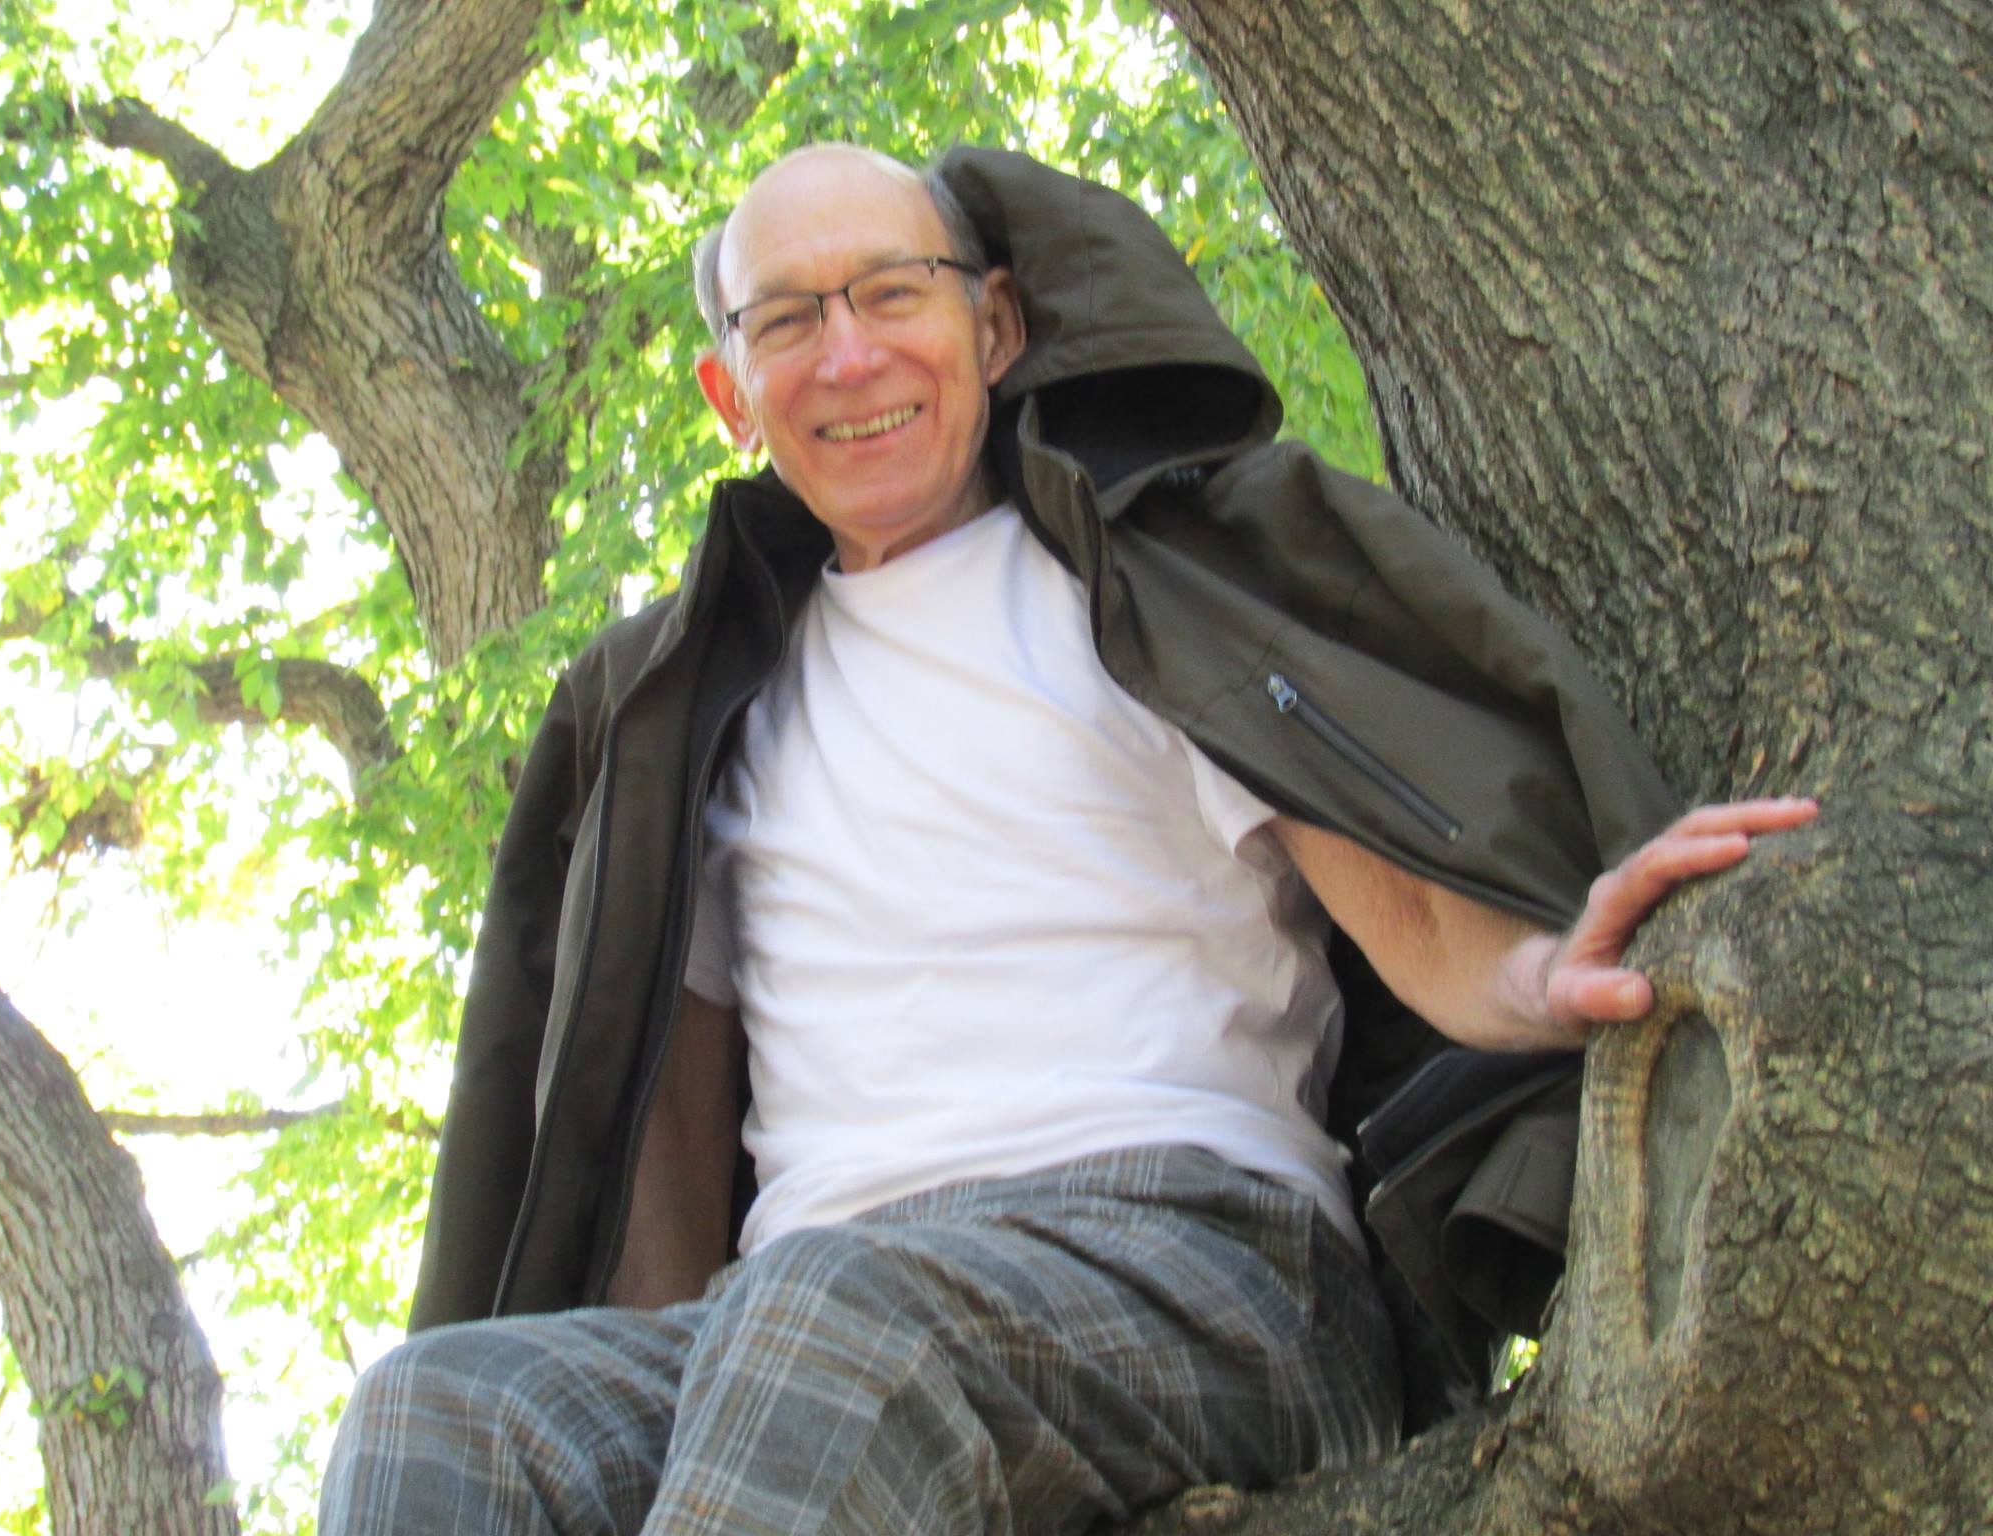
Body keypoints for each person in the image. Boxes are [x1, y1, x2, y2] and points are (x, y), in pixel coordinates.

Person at [320, 144, 1815, 1534]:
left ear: (998, 325)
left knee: (834, 1317)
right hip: (803, 1322)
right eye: (787, 323)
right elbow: (674, 1145)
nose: (848, 356)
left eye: (893, 295)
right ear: (731, 394)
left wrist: (1549, 976)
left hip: (1213, 1268)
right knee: (442, 1412)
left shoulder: (1151, 582)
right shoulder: (695, 708)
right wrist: (656, 1421)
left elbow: (1411, 921)